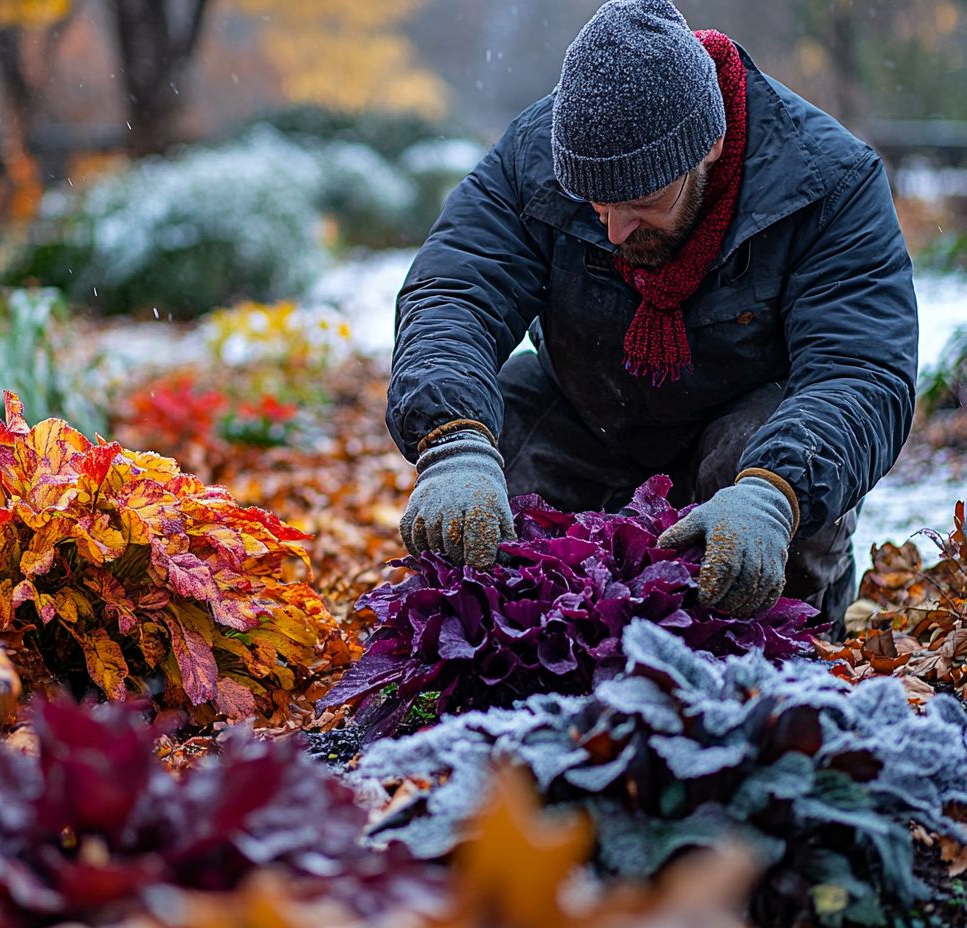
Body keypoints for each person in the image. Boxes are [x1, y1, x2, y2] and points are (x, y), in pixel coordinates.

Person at [388, 0, 918, 634]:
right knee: (496, 436)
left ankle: (791, 627)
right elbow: (455, 292)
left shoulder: (830, 182)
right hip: (589, 411)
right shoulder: (535, 157)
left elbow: (861, 369)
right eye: (595, 205)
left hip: (746, 433)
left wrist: (775, 495)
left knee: (762, 473)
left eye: (642, 203)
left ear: (711, 145)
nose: (613, 230)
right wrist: (453, 440)